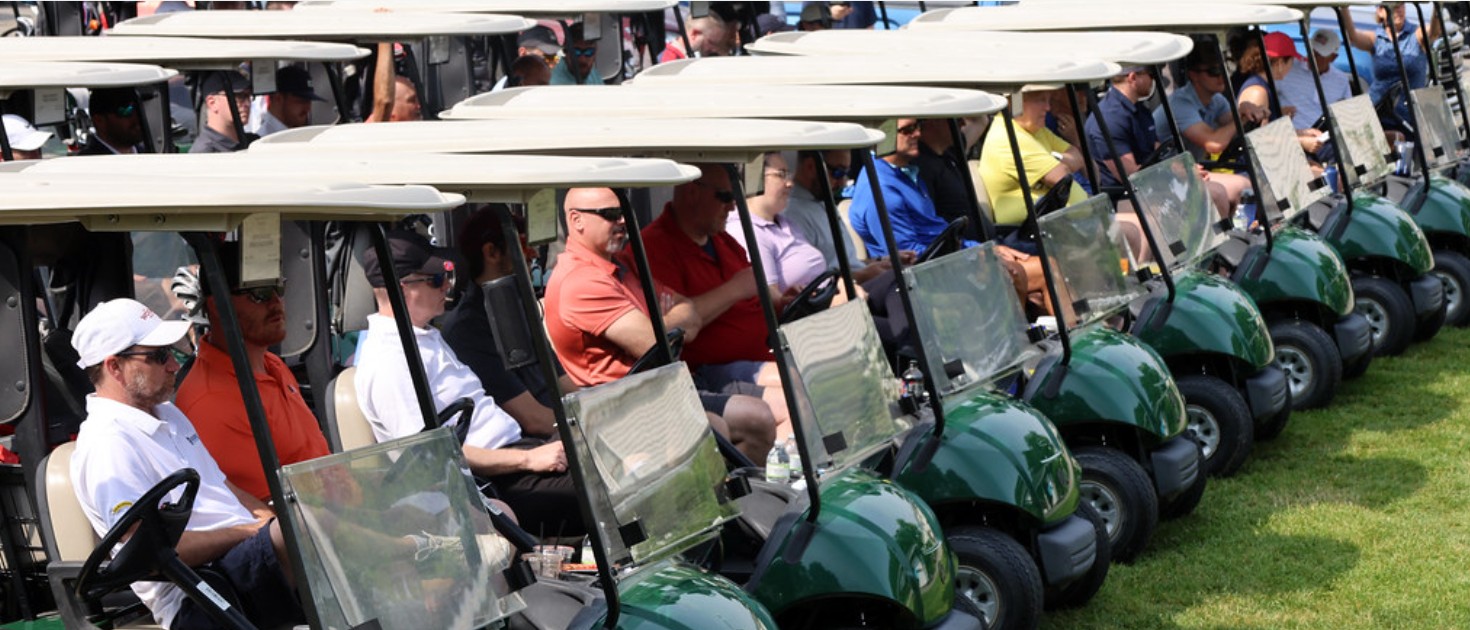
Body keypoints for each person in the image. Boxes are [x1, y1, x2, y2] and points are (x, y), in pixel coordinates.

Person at [70, 298, 305, 629]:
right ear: (114, 367)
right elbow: (155, 554)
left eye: (171, 352)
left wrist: (270, 520)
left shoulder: (168, 413)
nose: (174, 365)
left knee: (320, 516)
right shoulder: (107, 444)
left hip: (239, 564)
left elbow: (222, 486)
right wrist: (254, 531)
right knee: (307, 530)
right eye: (158, 356)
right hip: (199, 593)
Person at [354, 230, 584, 536]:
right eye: (437, 279)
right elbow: (427, 457)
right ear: (402, 288)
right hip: (489, 485)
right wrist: (528, 459)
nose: (447, 285)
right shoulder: (390, 361)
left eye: (446, 276)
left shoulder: (423, 337)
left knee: (623, 453)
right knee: (616, 482)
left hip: (517, 458)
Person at [544, 187, 777, 461]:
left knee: (759, 418)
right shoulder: (582, 281)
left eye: (624, 212)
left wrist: (665, 324)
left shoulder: (620, 266)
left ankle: (745, 485)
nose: (622, 221)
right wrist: (669, 323)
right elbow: (654, 343)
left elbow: (690, 312)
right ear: (576, 220)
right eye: (611, 214)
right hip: (620, 408)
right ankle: (715, 488)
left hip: (657, 391)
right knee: (714, 428)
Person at [639, 168, 796, 439]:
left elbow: (754, 293)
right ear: (692, 192)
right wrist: (734, 289)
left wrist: (784, 301)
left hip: (759, 355)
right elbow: (680, 325)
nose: (732, 206)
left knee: (818, 375)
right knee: (795, 393)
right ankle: (785, 464)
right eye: (725, 197)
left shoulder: (721, 240)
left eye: (735, 197)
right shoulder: (652, 249)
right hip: (708, 371)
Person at [175, 243, 329, 504]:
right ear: (217, 305)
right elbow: (269, 514)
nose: (276, 302)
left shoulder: (272, 364)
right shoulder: (212, 403)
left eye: (279, 287)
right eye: (260, 293)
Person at [442, 207, 565, 437]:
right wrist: (589, 428)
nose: (533, 255)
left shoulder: (519, 306)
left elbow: (563, 383)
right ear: (491, 252)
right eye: (523, 245)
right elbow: (534, 420)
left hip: (558, 430)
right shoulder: (469, 330)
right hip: (532, 444)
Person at [1155, 48, 1252, 215]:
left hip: (1191, 171)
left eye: (1224, 69)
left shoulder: (1216, 100)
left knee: (1255, 180)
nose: (1222, 76)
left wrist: (1251, 112)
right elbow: (1214, 143)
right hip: (1166, 176)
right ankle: (1226, 230)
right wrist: (1242, 117)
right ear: (1194, 75)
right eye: (1214, 71)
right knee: (1242, 185)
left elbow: (1233, 127)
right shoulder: (1180, 103)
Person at [785, 149, 897, 284]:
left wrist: (881, 262)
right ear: (811, 166)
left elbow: (845, 264)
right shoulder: (793, 215)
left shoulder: (822, 200)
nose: (843, 183)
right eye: (838, 173)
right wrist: (863, 275)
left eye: (846, 173)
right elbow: (811, 285)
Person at [724, 152, 828, 293]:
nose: (790, 183)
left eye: (788, 175)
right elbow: (769, 298)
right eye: (781, 175)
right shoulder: (747, 230)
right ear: (754, 178)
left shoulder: (784, 223)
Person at [1340, 2, 1441, 121]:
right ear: (1380, 11)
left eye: (1401, 4)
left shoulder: (1416, 34)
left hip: (1409, 115)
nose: (1399, 9)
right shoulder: (1376, 38)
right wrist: (1344, 8)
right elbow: (1353, 37)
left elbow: (1434, 32)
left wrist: (1438, 6)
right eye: (1393, 6)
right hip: (1378, 110)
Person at [1236, 32, 1327, 157]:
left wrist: (1303, 133)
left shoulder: (1265, 86)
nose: (1292, 67)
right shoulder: (1257, 92)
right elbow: (1257, 139)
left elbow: (1269, 133)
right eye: (1291, 61)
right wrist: (1300, 141)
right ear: (1280, 63)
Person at [1084, 66, 1160, 187]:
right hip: (1128, 193)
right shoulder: (1110, 119)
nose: (1152, 80)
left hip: (1153, 184)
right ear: (1133, 77)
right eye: (1150, 74)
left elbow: (1158, 150)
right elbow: (1132, 177)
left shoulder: (1140, 110)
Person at [1279, 28, 1353, 132]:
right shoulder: (1289, 68)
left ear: (1333, 57)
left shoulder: (1341, 81)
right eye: (1311, 51)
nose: (1312, 57)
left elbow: (1347, 114)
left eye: (1319, 55)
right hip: (1290, 135)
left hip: (1324, 136)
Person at [246, 65, 324, 137]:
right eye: (301, 101)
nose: (308, 108)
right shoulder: (264, 140)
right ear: (278, 98)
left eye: (309, 101)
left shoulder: (301, 135)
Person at [188, 70, 254, 153]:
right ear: (212, 103)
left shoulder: (253, 143)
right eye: (239, 96)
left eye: (248, 96)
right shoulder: (204, 153)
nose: (247, 103)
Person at [492, 25, 560, 91]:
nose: (551, 65)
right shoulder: (506, 89)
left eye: (554, 58)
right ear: (523, 53)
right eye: (546, 57)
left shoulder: (557, 82)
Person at [80, 88, 145, 156]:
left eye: (139, 108)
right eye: (126, 110)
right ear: (99, 121)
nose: (137, 117)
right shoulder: (86, 160)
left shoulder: (149, 153)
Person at [660, 10, 736, 61]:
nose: (714, 49)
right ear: (694, 34)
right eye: (711, 42)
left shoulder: (684, 56)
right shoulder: (670, 58)